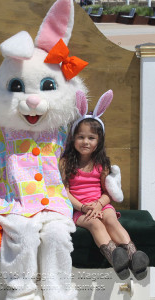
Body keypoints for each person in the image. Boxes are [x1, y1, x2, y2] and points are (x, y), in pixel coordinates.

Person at [59, 91, 149, 281]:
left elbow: (108, 192)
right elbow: (64, 191)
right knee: (94, 223)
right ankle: (114, 255)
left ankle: (133, 254)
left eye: (91, 138)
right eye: (81, 137)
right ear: (73, 138)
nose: (85, 142)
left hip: (101, 205)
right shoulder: (66, 162)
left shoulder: (102, 164)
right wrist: (84, 207)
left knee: (110, 219)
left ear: (99, 141)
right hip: (79, 210)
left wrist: (99, 205)